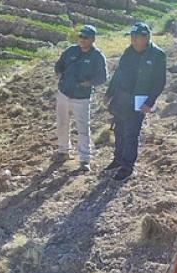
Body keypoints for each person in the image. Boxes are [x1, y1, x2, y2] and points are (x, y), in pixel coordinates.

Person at [104, 22, 167, 181]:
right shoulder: (128, 52)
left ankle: (127, 167)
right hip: (121, 97)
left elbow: (159, 82)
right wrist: (109, 93)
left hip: (140, 99)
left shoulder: (157, 55)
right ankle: (118, 159)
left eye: (136, 37)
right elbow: (118, 74)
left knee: (131, 133)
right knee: (119, 130)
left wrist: (149, 102)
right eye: (132, 36)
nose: (133, 40)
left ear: (146, 38)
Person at [54, 24, 108, 172]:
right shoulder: (70, 50)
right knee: (62, 123)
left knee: (83, 128)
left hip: (81, 97)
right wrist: (60, 74)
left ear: (93, 39)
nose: (82, 39)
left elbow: (103, 77)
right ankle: (63, 151)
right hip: (64, 94)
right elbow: (58, 65)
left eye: (86, 37)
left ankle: (84, 159)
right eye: (80, 36)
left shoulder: (97, 56)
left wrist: (89, 83)